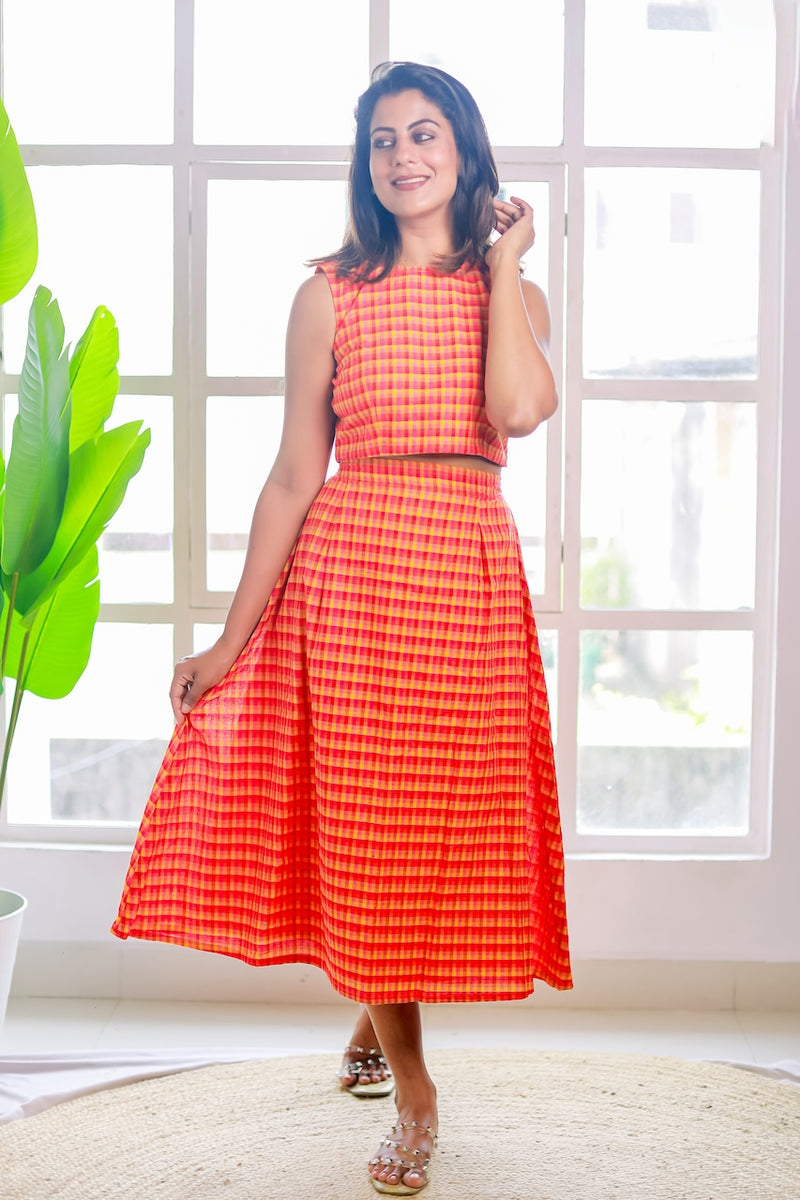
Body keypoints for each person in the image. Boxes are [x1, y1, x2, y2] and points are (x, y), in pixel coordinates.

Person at [113, 61, 572, 1195]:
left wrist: (506, 263)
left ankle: (372, 1020)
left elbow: (518, 412)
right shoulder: (328, 295)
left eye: (425, 134)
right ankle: (415, 1090)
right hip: (352, 580)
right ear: (364, 164)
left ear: (465, 151)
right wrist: (227, 643)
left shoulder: (510, 292)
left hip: (464, 576)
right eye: (382, 140)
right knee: (367, 834)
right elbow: (290, 475)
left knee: (435, 827)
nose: (403, 156)